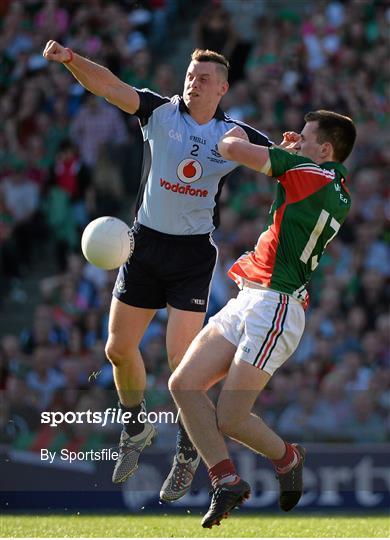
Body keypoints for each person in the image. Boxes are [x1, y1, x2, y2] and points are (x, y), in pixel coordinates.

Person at [42, 41, 272, 499]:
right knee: (117, 349)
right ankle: (135, 427)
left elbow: (283, 167)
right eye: (190, 74)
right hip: (144, 247)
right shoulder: (159, 112)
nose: (193, 82)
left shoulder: (236, 136)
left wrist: (298, 151)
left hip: (190, 258)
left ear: (222, 88)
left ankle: (188, 450)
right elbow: (108, 86)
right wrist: (71, 60)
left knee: (180, 367)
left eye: (204, 78)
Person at [169, 110, 356, 528]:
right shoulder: (335, 186)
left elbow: (230, 147)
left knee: (230, 417)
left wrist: (233, 129)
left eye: (305, 138)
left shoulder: (311, 173)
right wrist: (286, 154)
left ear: (325, 150)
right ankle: (227, 481)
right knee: (183, 383)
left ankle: (288, 457)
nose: (298, 141)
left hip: (276, 306)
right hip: (251, 297)